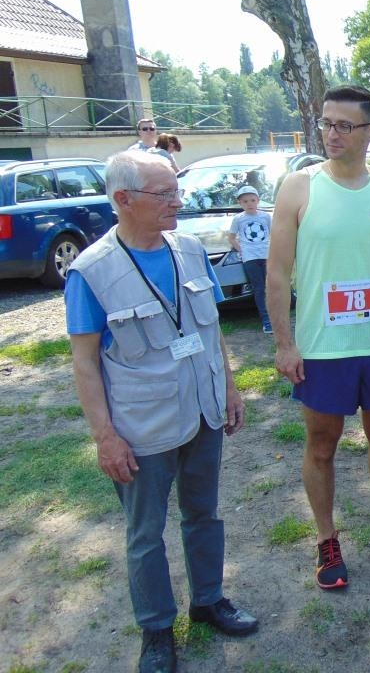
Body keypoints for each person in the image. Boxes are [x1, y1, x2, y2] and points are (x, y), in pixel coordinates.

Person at [65, 151, 258, 673]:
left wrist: (231, 390)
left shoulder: (190, 250)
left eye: (176, 190)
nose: (179, 201)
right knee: (145, 534)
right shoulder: (91, 272)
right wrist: (105, 437)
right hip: (140, 429)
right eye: (165, 194)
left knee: (204, 514)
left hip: (202, 413)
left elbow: (210, 331)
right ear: (123, 200)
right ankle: (155, 630)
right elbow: (85, 364)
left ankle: (209, 599)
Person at [267, 85, 370, 590]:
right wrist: (285, 344)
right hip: (322, 348)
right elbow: (278, 274)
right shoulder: (298, 187)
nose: (332, 133)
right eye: (327, 123)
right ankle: (327, 538)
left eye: (344, 125)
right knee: (322, 445)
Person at [228, 185, 273, 333]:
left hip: (267, 256)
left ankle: (276, 316)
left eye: (252, 200)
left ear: (258, 201)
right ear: (240, 203)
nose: (249, 204)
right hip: (250, 258)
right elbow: (232, 238)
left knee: (271, 287)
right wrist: (242, 250)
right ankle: (266, 321)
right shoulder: (238, 219)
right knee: (259, 288)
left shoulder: (265, 216)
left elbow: (274, 234)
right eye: (245, 201)